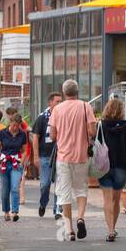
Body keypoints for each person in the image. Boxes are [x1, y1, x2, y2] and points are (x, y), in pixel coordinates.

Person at [47, 79, 96, 241]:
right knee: (81, 189)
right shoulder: (85, 106)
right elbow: (92, 131)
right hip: (82, 155)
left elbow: (52, 135)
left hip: (63, 156)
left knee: (64, 192)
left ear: (64, 92)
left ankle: (69, 230)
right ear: (77, 91)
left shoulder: (57, 110)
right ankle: (81, 217)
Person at [97, 97, 126, 243]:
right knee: (116, 199)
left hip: (103, 167)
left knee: (107, 199)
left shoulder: (100, 126)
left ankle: (109, 231)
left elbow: (93, 145)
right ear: (122, 111)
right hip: (121, 166)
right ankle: (113, 228)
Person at [31, 92, 63, 219]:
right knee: (45, 185)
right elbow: (35, 137)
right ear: (50, 102)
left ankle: (57, 210)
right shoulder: (42, 118)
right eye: (57, 101)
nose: (60, 104)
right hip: (45, 156)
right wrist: (36, 156)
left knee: (60, 185)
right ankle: (43, 204)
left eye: (61, 101)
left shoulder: (63, 116)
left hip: (60, 155)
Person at [0, 112, 31, 221]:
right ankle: (6, 211)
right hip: (4, 163)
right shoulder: (2, 133)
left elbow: (25, 150)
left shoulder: (22, 134)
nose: (15, 128)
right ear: (10, 123)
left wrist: (22, 162)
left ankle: (15, 211)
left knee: (15, 187)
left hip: (16, 162)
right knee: (5, 190)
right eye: (14, 125)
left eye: (17, 126)